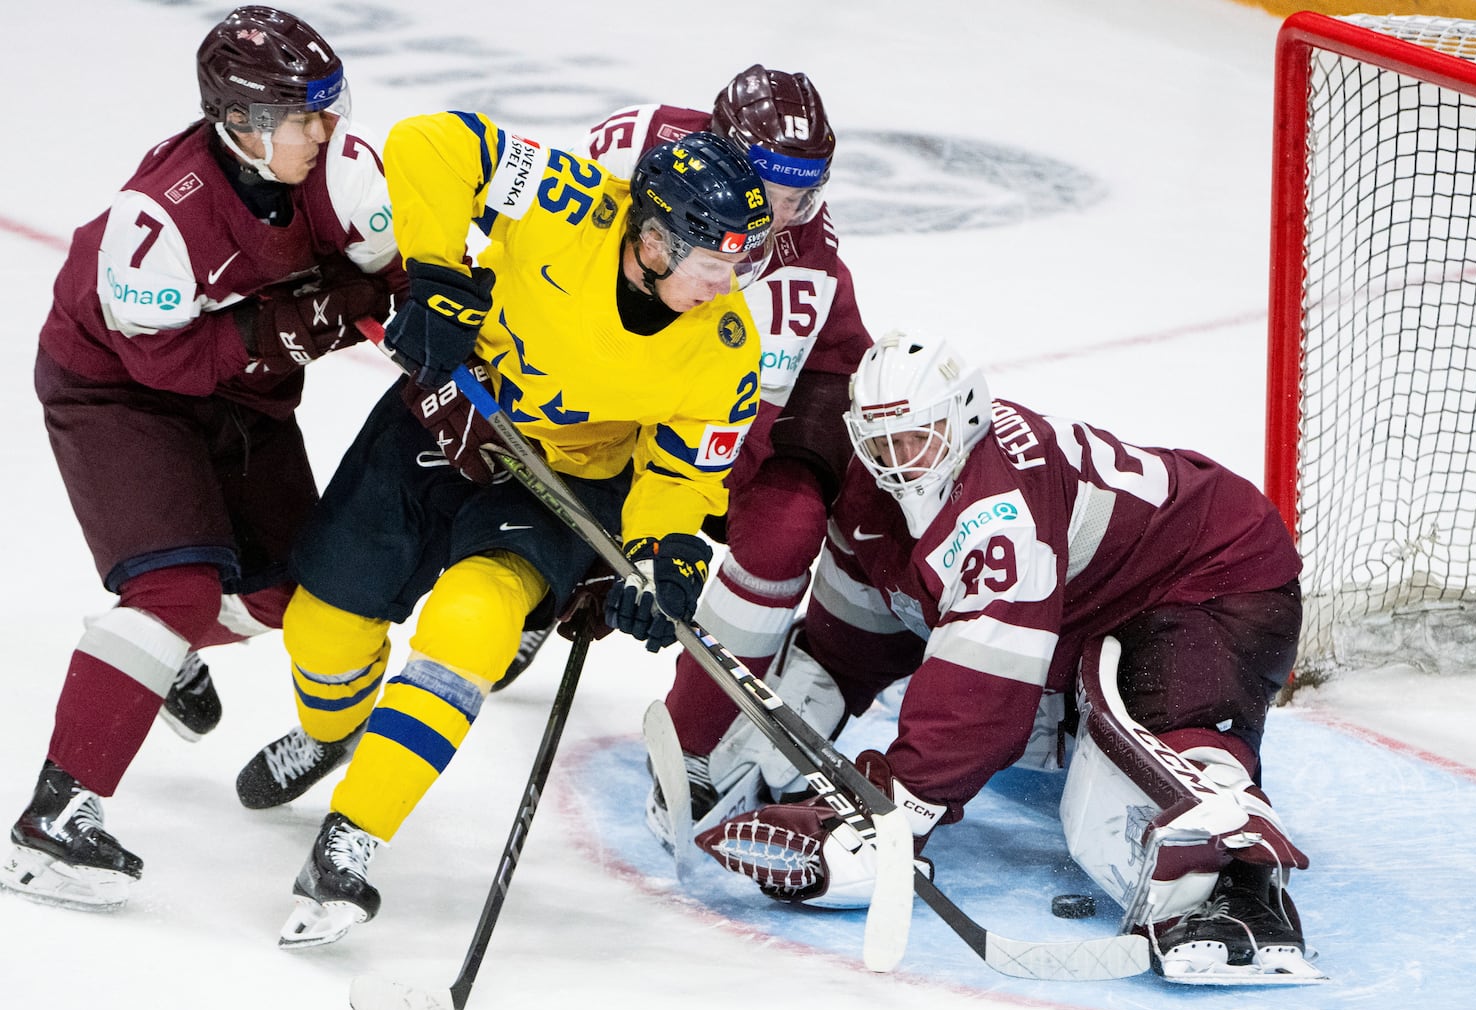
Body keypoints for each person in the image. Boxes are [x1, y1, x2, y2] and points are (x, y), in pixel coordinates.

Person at [237, 110, 774, 948]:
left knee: (473, 621)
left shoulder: (730, 343)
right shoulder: (572, 202)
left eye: (741, 263)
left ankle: (351, 838)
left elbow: (681, 473)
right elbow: (430, 143)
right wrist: (439, 275)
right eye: (712, 262)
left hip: (564, 481)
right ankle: (333, 730)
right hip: (446, 419)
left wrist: (662, 553)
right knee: (323, 627)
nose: (726, 284)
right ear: (656, 240)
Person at [679, 331, 1322, 984]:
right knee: (1070, 746)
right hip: (1094, 601)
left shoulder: (998, 507)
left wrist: (892, 818)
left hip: (1213, 571)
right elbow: (860, 631)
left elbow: (983, 700)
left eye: (916, 437)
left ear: (966, 416)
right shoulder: (875, 491)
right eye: (882, 443)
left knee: (1170, 746)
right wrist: (785, 733)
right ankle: (1076, 721)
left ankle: (1242, 891)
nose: (899, 461)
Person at [0, 6, 403, 912]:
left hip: (240, 397)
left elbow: (390, 278)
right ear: (246, 122)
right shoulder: (161, 218)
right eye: (307, 116)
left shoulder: (337, 171)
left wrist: (419, 310)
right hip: (116, 390)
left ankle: (154, 648)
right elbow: (166, 361)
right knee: (175, 588)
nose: (328, 130)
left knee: (304, 588)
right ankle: (52, 822)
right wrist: (305, 318)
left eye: (330, 109)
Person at [497, 65, 875, 809]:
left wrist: (643, 543)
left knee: (777, 530)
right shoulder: (633, 141)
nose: (791, 211)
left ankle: (695, 737)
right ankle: (556, 578)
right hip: (647, 353)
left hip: (798, 396)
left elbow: (729, 432)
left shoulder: (798, 272)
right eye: (778, 190)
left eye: (807, 192)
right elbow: (546, 250)